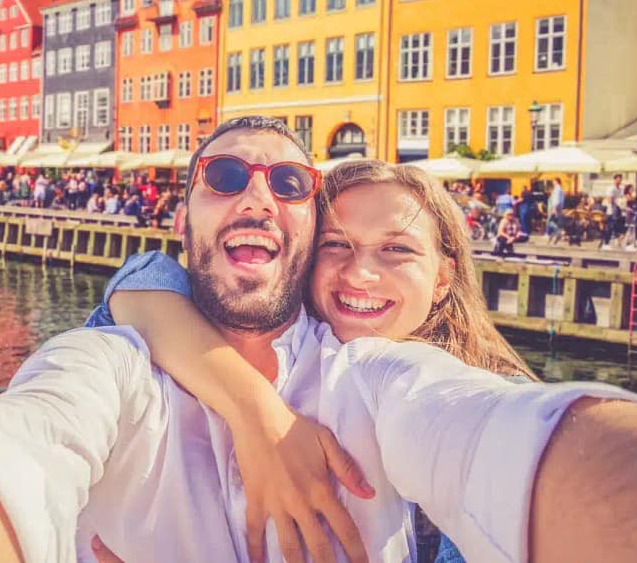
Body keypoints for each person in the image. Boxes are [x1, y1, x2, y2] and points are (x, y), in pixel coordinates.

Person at [0, 117, 637, 563]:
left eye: (288, 185)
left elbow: (491, 430)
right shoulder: (118, 359)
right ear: (184, 214)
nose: (256, 195)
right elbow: (8, 449)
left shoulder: (377, 372)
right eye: (226, 174)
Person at [87, 158, 535, 562]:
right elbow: (149, 273)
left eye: (397, 249)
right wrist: (257, 412)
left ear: (443, 278)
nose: (360, 273)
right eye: (336, 244)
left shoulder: (480, 398)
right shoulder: (285, 358)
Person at [601, 174, 624, 249]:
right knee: (610, 227)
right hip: (611, 210)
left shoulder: (620, 189)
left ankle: (611, 242)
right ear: (614, 180)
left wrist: (621, 203)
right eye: (618, 179)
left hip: (618, 210)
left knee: (616, 226)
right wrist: (616, 202)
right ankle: (605, 243)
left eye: (620, 179)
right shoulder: (611, 188)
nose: (619, 181)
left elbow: (621, 199)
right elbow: (609, 199)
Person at [545, 178, 565, 245]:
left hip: (555, 208)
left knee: (551, 221)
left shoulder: (557, 189)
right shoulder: (559, 189)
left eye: (553, 181)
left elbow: (557, 199)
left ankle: (551, 234)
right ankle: (556, 234)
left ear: (556, 182)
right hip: (557, 207)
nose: (553, 182)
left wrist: (554, 208)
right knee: (555, 221)